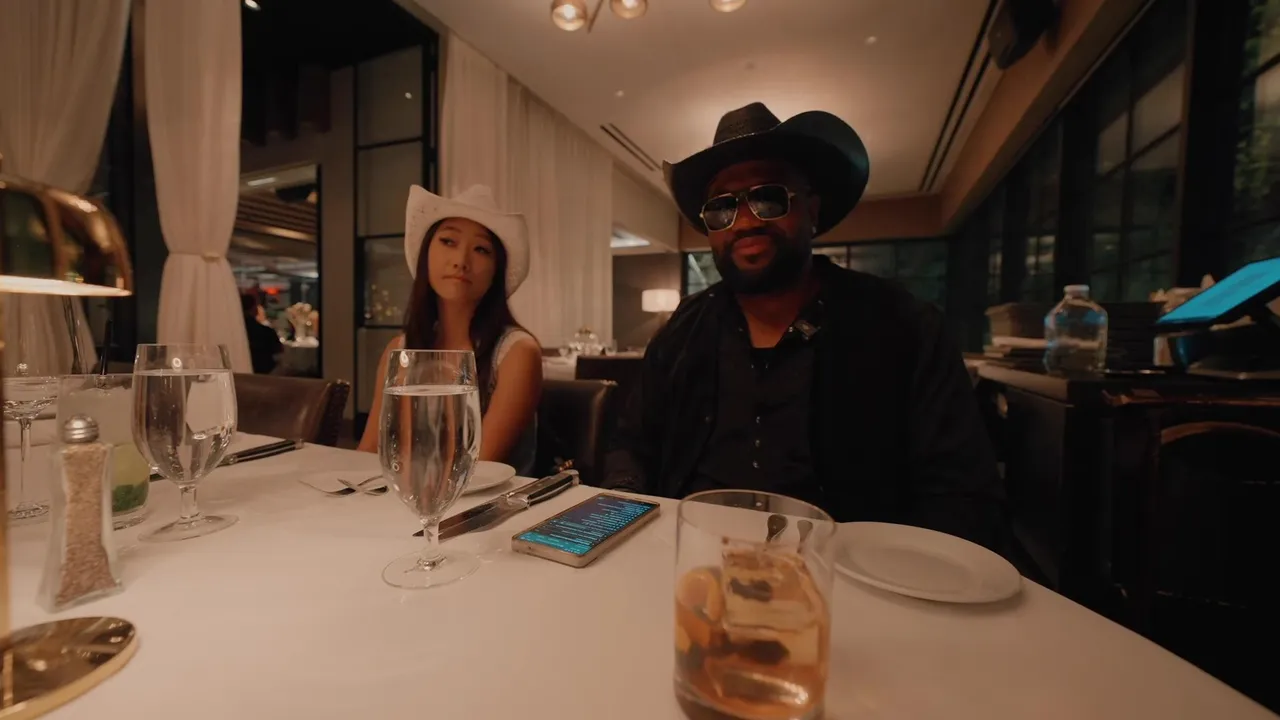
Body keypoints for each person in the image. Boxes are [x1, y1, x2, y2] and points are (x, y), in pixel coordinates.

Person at [602, 102, 1006, 549]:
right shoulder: (683, 330)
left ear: (812, 209)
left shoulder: (902, 325)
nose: (745, 221)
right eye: (721, 208)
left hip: (844, 568)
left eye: (768, 197)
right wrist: (629, 515)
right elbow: (631, 445)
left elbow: (961, 493)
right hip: (689, 559)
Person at [357, 184, 542, 476]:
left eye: (481, 249)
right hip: (404, 498)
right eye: (448, 241)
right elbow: (369, 453)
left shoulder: (516, 353)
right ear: (425, 253)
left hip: (488, 503)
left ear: (497, 269)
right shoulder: (400, 350)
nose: (461, 261)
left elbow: (477, 471)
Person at [241, 292, 284, 375]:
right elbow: (279, 355)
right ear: (254, 309)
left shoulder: (234, 332)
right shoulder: (266, 332)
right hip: (266, 373)